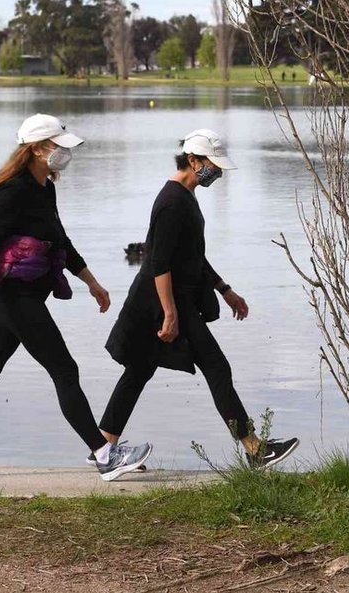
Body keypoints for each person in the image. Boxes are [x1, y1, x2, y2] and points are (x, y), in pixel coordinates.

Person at [0, 114, 152, 482]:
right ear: (36, 149)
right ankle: (104, 454)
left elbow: (59, 240)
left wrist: (92, 283)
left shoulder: (44, 186)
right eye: (59, 147)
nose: (65, 153)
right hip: (11, 297)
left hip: (26, 295)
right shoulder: (13, 191)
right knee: (64, 369)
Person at [100, 129, 299, 470]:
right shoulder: (172, 202)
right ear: (193, 160)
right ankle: (254, 448)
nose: (217, 172)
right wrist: (170, 313)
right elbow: (159, 262)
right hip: (160, 303)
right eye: (212, 165)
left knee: (139, 371)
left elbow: (192, 256)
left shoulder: (185, 197)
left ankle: (104, 448)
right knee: (216, 367)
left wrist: (225, 289)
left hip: (169, 301)